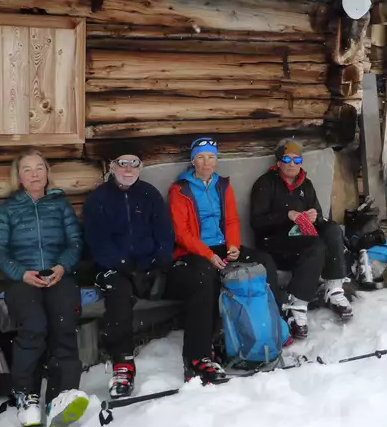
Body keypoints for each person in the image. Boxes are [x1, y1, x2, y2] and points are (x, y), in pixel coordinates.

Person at [0, 148, 88, 427]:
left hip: (58, 276)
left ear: (47, 174)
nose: (34, 174)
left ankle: (63, 396)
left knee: (64, 326)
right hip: (23, 280)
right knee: (33, 327)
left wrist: (62, 267)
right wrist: (22, 273)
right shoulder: (8, 209)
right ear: (19, 177)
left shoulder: (60, 205)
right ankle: (27, 396)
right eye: (27, 170)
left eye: (39, 168)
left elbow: (75, 243)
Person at [168, 137, 282, 381]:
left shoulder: (223, 185)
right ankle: (199, 355)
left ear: (217, 159)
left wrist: (232, 246)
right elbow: (182, 233)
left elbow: (231, 220)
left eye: (211, 157)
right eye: (201, 157)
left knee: (264, 263)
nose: (207, 162)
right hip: (193, 252)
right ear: (192, 161)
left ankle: (271, 330)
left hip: (222, 246)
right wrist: (208, 255)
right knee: (205, 279)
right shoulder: (180, 190)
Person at [83, 154, 174, 399]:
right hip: (114, 268)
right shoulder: (98, 199)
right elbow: (98, 244)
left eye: (134, 163)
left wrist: (157, 265)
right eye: (121, 163)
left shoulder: (149, 194)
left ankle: (200, 356)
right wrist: (127, 268)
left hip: (149, 266)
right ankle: (122, 365)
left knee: (199, 276)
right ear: (111, 166)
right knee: (118, 291)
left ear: (141, 167)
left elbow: (165, 234)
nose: (128, 169)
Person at [250, 138, 353, 339]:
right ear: (278, 161)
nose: (291, 164)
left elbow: (320, 217)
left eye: (296, 160)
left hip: (300, 237)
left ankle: (333, 289)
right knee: (315, 246)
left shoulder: (306, 184)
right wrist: (286, 215)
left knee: (332, 230)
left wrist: (315, 218)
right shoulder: (265, 184)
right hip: (273, 242)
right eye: (287, 159)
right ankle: (296, 302)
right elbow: (257, 222)